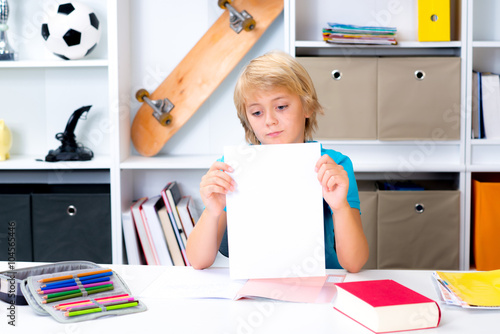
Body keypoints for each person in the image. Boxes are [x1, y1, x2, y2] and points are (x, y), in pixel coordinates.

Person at [186, 51, 369, 273]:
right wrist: (212, 211)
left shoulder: (334, 166)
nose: (270, 121)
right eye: (256, 112)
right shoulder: (233, 167)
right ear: (247, 121)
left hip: (322, 283)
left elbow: (354, 263)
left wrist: (339, 207)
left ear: (307, 106)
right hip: (254, 287)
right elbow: (198, 261)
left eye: (281, 107)